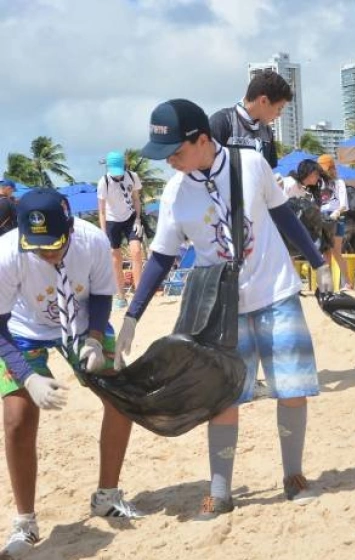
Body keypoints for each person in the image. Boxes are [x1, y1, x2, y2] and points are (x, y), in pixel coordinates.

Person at [115, 99, 332, 518]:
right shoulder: (176, 192)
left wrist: (318, 262)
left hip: (276, 292)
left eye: (176, 152)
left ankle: (294, 475)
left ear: (201, 140)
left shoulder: (251, 164)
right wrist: (132, 314)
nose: (171, 163)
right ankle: (221, 490)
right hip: (222, 309)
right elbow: (160, 257)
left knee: (291, 389)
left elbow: (283, 216)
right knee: (223, 399)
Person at [0, 189, 140, 557]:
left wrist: (94, 340)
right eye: (38, 247)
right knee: (16, 418)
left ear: (71, 229)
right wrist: (27, 377)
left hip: (79, 324)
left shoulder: (92, 240)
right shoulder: (6, 254)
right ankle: (25, 522)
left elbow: (100, 295)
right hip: (21, 330)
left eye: (54, 245)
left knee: (122, 395)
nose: (46, 253)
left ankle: (107, 496)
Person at [209, 69, 291, 169]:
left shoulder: (267, 132)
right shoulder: (222, 122)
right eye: (279, 108)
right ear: (263, 101)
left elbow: (271, 170)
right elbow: (206, 169)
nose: (279, 114)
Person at [97, 151, 145, 309]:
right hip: (112, 221)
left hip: (131, 218)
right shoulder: (104, 182)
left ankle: (139, 295)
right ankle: (121, 295)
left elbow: (136, 199)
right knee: (115, 258)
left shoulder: (132, 176)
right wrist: (103, 234)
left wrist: (138, 218)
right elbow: (102, 211)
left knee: (136, 252)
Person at [317, 154, 353, 290]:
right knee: (325, 253)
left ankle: (348, 282)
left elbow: (343, 204)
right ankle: (328, 284)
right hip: (321, 217)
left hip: (336, 217)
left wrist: (336, 213)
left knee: (336, 251)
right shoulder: (318, 183)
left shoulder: (339, 183)